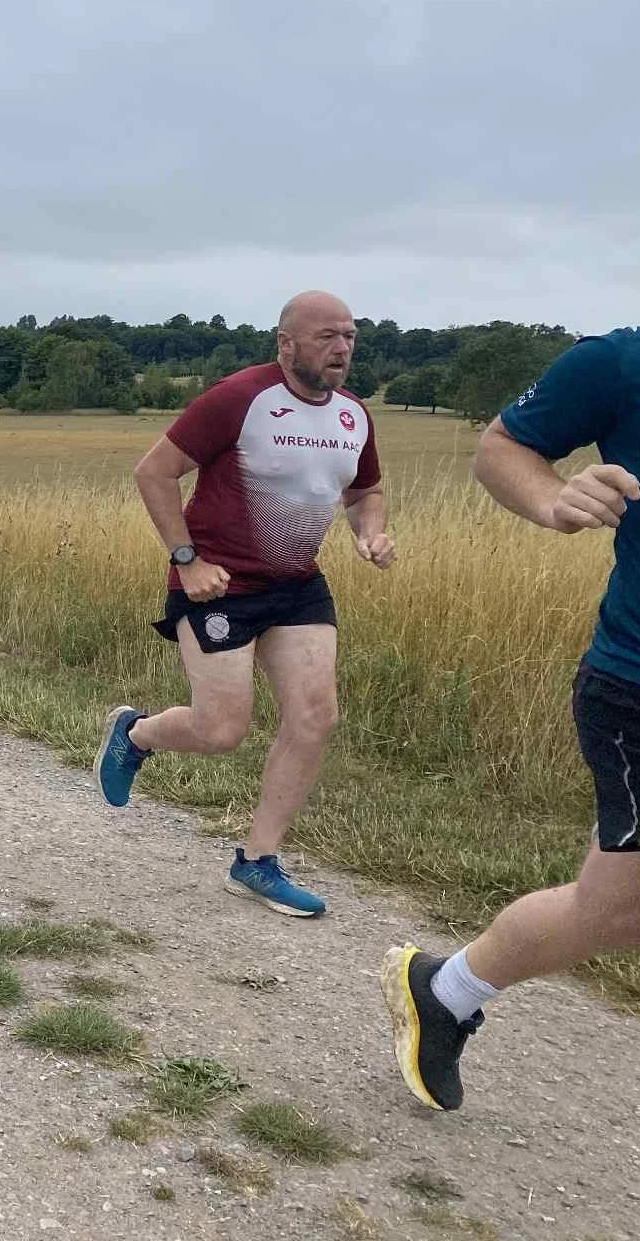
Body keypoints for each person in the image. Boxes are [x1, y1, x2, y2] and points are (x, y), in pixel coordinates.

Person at [382, 326, 640, 1112]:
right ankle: (449, 987)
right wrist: (554, 500)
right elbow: (501, 447)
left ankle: (448, 989)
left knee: (617, 908)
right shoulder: (623, 362)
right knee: (621, 909)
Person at [94, 291, 397, 919]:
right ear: (286, 344)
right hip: (218, 584)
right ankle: (138, 733)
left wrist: (371, 531)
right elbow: (154, 472)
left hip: (297, 587)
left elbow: (366, 490)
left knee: (316, 716)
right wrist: (187, 560)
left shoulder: (353, 416)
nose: (341, 348)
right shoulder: (240, 398)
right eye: (326, 336)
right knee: (221, 730)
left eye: (350, 336)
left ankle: (257, 861)